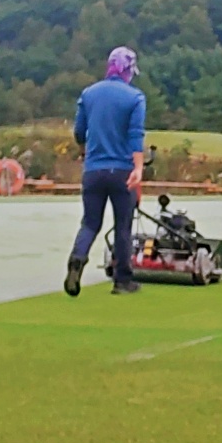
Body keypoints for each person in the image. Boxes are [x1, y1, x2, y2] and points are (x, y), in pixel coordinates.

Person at [65, 46, 146, 296]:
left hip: (93, 171)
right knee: (123, 226)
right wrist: (138, 168)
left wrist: (84, 153)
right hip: (122, 171)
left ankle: (77, 259)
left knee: (90, 223)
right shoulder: (135, 98)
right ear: (128, 71)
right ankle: (122, 281)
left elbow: (79, 132)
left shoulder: (89, 94)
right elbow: (135, 136)